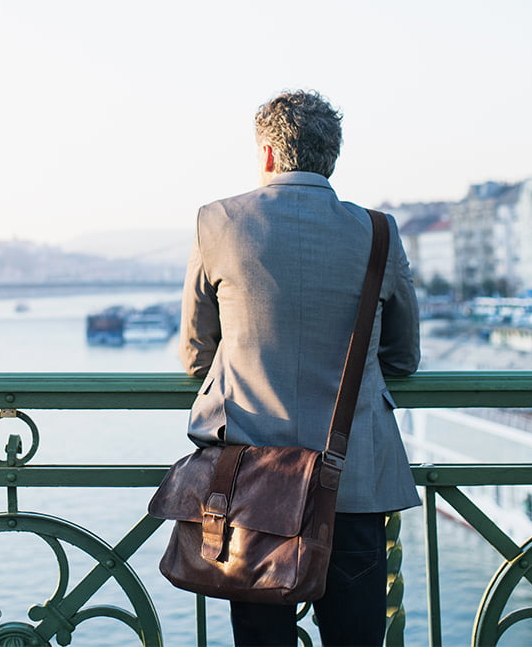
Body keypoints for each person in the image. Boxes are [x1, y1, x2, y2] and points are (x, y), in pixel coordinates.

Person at [178, 89, 421, 647]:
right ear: (331, 159)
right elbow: (404, 357)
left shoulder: (217, 221)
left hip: (253, 478)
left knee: (262, 637)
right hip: (353, 476)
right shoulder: (378, 232)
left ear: (266, 154)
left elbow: (196, 353)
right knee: (356, 634)